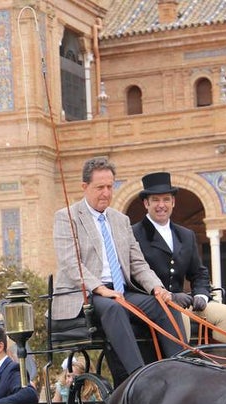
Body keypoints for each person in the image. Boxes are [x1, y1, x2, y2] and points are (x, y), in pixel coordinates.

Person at [52, 156, 186, 382]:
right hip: (85, 293)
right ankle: (138, 376)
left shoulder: (120, 220)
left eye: (110, 187)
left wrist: (157, 288)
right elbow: (71, 263)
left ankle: (182, 368)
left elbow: (137, 263)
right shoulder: (67, 217)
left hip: (121, 290)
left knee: (165, 304)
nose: (106, 193)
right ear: (85, 187)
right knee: (114, 308)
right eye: (100, 187)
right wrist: (100, 289)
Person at [133, 171, 226, 343]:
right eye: (156, 200)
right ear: (146, 203)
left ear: (173, 202)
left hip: (183, 303)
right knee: (180, 319)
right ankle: (185, 367)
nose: (162, 205)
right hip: (154, 303)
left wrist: (201, 295)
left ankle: (218, 366)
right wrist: (170, 296)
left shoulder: (186, 235)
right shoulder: (134, 234)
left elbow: (199, 273)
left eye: (166, 199)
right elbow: (133, 278)